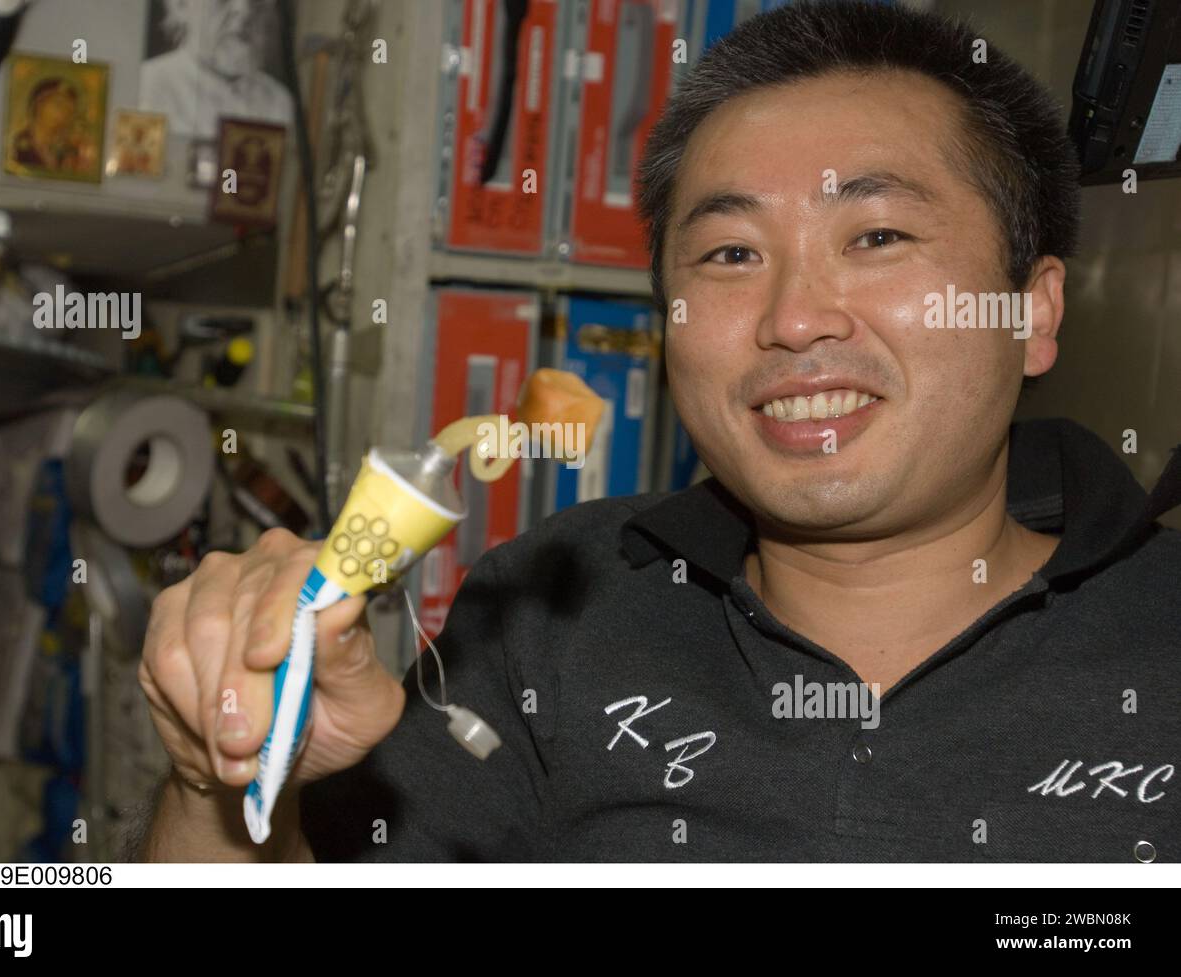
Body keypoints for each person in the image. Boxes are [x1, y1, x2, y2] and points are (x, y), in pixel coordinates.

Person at [135, 0, 1181, 862]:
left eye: (876, 235)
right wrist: (218, 777)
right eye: (729, 254)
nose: (792, 318)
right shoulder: (546, 611)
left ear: (1031, 311)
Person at [139, 0, 293, 139]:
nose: (245, 11)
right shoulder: (145, 86)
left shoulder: (279, 101)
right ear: (181, 5)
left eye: (257, 2)